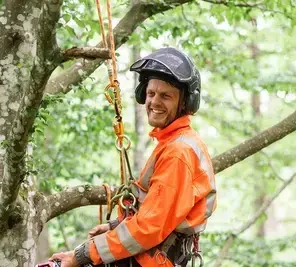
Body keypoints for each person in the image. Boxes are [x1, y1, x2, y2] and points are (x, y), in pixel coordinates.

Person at [49, 47, 217, 267]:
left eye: (165, 96)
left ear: (184, 103)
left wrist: (80, 255)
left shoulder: (178, 153)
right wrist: (117, 225)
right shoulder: (172, 142)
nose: (154, 102)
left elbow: (149, 227)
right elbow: (156, 208)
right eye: (151, 93)